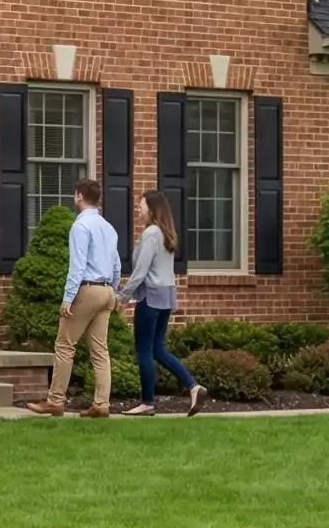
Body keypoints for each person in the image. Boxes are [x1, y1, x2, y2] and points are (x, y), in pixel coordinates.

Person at [25, 178, 119, 417]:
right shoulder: (108, 227)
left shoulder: (80, 227)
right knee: (100, 350)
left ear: (78, 196)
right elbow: (117, 265)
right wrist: (113, 292)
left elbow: (77, 265)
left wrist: (68, 298)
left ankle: (55, 401)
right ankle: (101, 404)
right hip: (107, 290)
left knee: (65, 345)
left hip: (87, 289)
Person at [118, 189, 203, 416]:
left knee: (144, 351)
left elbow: (140, 272)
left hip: (149, 299)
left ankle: (147, 402)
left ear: (152, 209)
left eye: (142, 205)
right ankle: (193, 386)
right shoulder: (166, 234)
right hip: (165, 299)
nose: (138, 209)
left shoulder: (151, 234)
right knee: (158, 349)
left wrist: (122, 297)